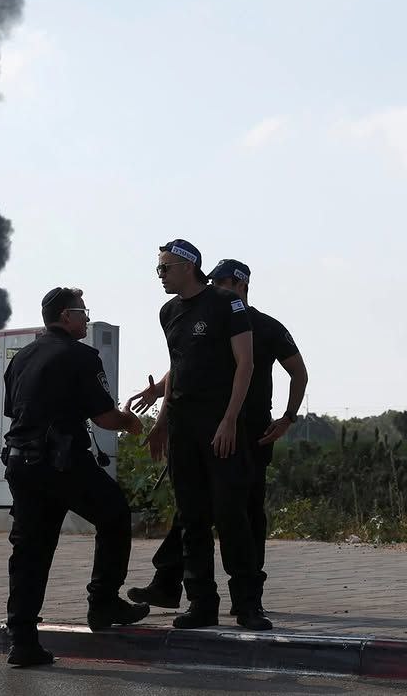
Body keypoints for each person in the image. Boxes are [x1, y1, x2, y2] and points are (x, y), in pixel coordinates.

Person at [127, 259, 308, 618]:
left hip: (251, 431)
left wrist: (288, 418)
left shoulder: (265, 326)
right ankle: (174, 585)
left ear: (242, 285)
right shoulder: (198, 313)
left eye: (224, 282)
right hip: (203, 428)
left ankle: (248, 597)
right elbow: (183, 366)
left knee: (242, 514)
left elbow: (298, 373)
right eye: (214, 281)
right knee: (192, 513)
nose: (217, 287)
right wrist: (161, 409)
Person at [2, 286, 147, 667]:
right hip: (61, 462)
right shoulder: (82, 356)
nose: (87, 319)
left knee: (30, 550)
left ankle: (22, 640)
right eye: (83, 312)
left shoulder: (22, 357)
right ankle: (103, 602)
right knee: (115, 514)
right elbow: (105, 417)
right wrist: (131, 423)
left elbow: (15, 412)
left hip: (20, 463)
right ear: (66, 317)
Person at [143, 240, 269, 631]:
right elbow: (176, 368)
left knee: (231, 515)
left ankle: (247, 604)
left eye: (165, 268)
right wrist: (161, 422)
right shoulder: (168, 312)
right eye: (158, 269)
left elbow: (245, 364)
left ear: (188, 266)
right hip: (183, 429)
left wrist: (230, 420)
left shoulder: (225, 304)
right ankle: (201, 603)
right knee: (192, 518)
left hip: (220, 427)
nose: (160, 275)